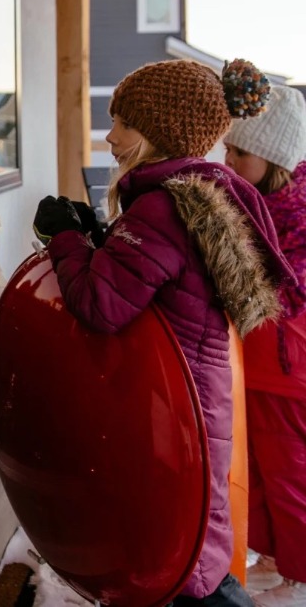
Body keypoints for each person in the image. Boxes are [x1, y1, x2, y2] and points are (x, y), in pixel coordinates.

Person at [32, 59, 300, 607]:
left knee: (183, 561)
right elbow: (142, 281)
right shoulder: (188, 200)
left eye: (124, 121)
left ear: (159, 131)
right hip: (190, 403)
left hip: (176, 410)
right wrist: (96, 239)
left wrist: (63, 239)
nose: (110, 135)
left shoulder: (161, 209)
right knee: (193, 543)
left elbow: (101, 303)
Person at [222, 84, 306, 607]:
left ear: (271, 159)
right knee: (262, 470)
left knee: (290, 474)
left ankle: (301, 576)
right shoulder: (259, 207)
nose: (227, 160)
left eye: (239, 153)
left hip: (286, 368)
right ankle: (278, 558)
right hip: (259, 363)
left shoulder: (288, 218)